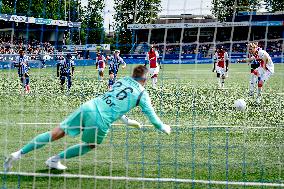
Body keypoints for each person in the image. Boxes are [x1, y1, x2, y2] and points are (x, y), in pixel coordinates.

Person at [4, 65, 171, 171]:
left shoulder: (122, 80)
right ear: (145, 79)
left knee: (57, 132)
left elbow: (115, 102)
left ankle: (19, 153)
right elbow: (154, 120)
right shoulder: (143, 94)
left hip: (89, 106)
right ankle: (54, 160)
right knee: (91, 145)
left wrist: (126, 120)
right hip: (100, 119)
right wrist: (164, 127)